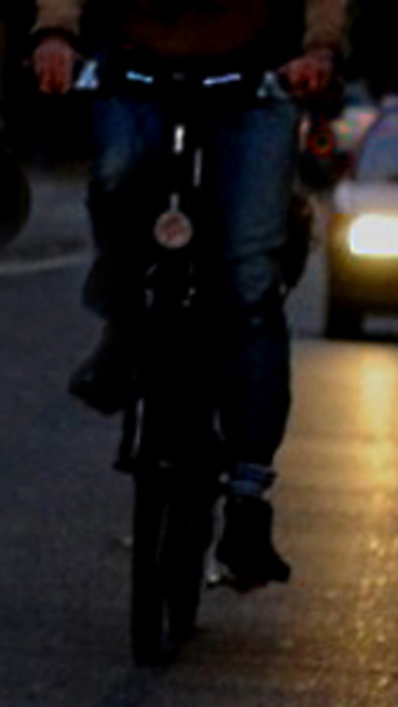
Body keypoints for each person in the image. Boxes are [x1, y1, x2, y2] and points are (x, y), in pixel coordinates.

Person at [31, 0, 345, 588]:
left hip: (257, 77)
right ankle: (125, 327)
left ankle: (248, 499)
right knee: (118, 176)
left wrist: (319, 49)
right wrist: (54, 33)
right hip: (135, 64)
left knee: (248, 282)